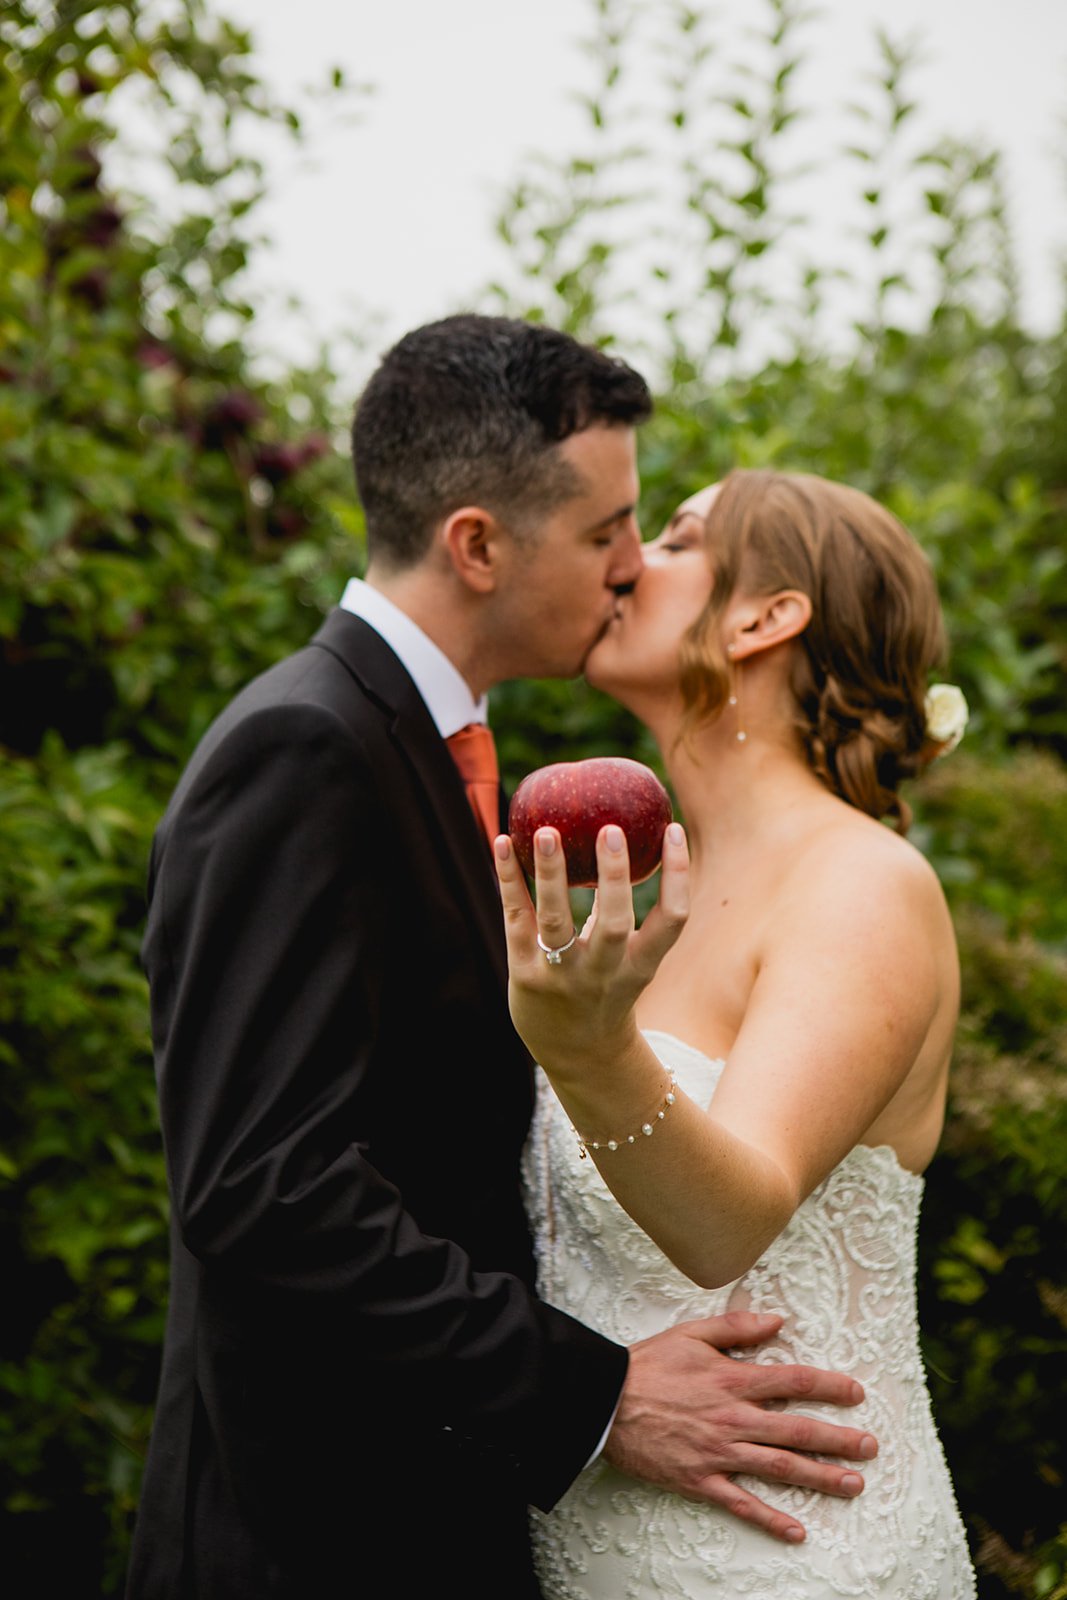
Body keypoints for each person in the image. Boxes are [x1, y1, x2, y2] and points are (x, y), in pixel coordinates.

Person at [126, 324, 880, 1600]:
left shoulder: (440, 754)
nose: (630, 566)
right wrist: (593, 1395)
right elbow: (263, 1185)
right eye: (605, 531)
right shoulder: (303, 748)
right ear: (476, 544)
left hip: (440, 1526)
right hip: (306, 1542)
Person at [495, 468, 978, 1599]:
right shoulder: (648, 895)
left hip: (792, 1552)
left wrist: (587, 1049)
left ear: (767, 616)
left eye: (675, 539)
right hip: (596, 1548)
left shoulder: (859, 883)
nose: (628, 561)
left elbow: (727, 1222)